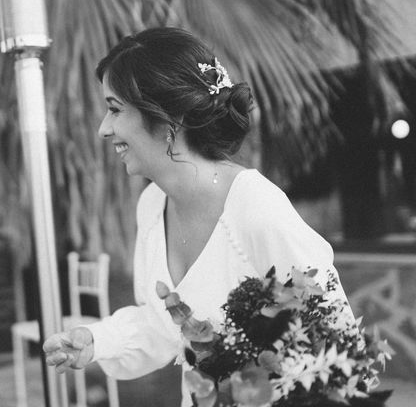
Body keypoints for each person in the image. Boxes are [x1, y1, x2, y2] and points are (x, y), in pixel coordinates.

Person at [43, 27, 352, 407]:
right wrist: (97, 341)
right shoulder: (152, 205)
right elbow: (163, 328)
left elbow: (339, 343)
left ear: (169, 117)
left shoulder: (256, 208)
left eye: (114, 109)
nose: (103, 129)